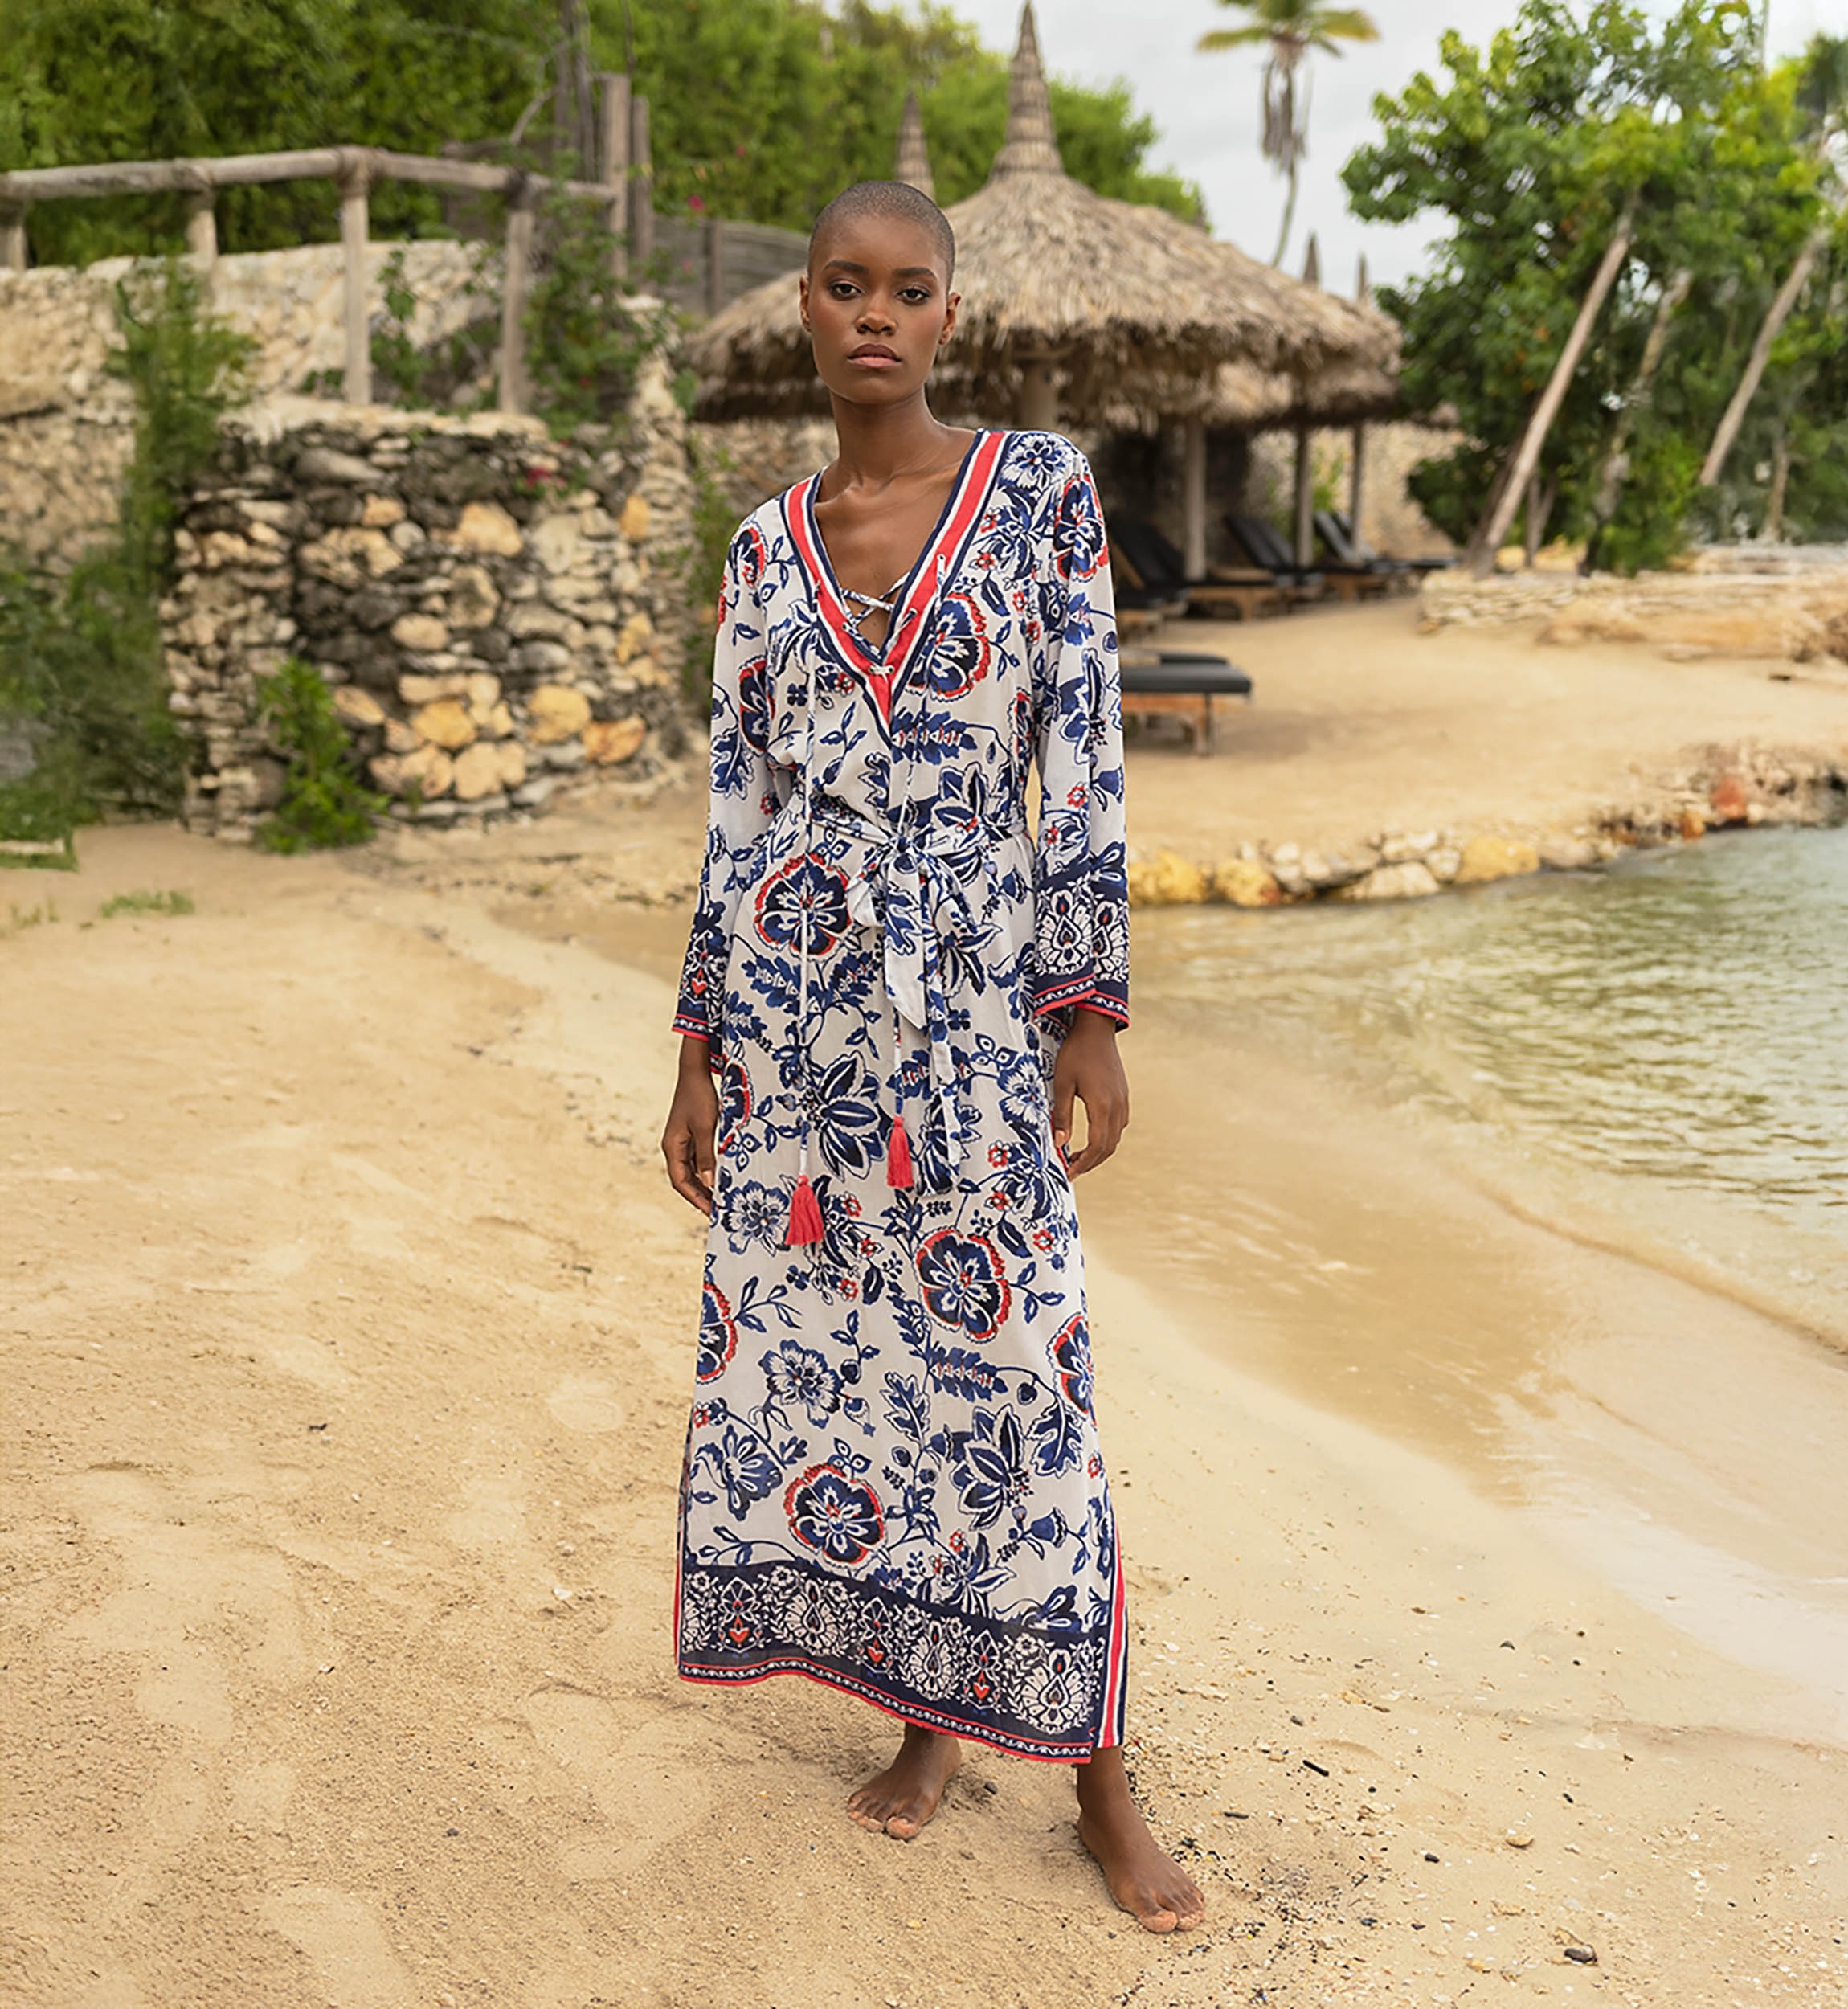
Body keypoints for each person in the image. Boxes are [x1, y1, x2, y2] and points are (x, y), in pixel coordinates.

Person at [660, 179, 1204, 1934]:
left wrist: (1091, 1012)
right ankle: (926, 1714)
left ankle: (1101, 1777)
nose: (875, 315)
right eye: (846, 285)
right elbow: (737, 808)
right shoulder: (764, 548)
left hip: (977, 1006)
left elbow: (1084, 762)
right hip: (802, 1019)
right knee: (863, 1364)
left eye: (908, 289)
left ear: (950, 314)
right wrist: (697, 1043)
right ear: (805, 311)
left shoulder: (1039, 493)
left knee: (1026, 1368)